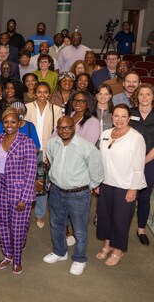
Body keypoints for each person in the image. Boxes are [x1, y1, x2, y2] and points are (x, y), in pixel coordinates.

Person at [43, 116, 104, 276]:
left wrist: (85, 189)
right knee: (56, 225)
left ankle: (80, 258)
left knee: (79, 230)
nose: (64, 130)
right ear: (57, 128)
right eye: (60, 128)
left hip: (79, 195)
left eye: (68, 127)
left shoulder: (86, 147)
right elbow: (51, 160)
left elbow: (97, 173)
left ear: (74, 127)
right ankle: (59, 252)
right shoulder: (52, 143)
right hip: (56, 192)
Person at [96, 104, 146, 266]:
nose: (119, 119)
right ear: (112, 117)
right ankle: (107, 245)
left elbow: (139, 166)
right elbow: (100, 160)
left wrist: (134, 188)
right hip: (106, 183)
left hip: (125, 185)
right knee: (105, 217)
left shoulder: (136, 138)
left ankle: (118, 250)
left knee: (121, 220)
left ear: (129, 118)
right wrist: (97, 182)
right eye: (116, 116)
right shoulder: (105, 134)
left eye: (123, 116)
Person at [0, 110, 37, 274]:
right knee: (2, 224)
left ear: (19, 123)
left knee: (17, 227)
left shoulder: (27, 142)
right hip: (1, 188)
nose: (9, 125)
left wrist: (25, 198)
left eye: (13, 122)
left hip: (19, 191)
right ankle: (7, 255)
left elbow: (31, 173)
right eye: (6, 122)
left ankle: (17, 260)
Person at [24, 82, 63, 228]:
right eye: (39, 92)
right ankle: (24, 212)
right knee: (25, 183)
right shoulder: (27, 108)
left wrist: (51, 155)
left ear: (50, 94)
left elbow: (57, 134)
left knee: (42, 184)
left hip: (46, 152)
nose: (42, 95)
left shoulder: (56, 110)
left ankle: (40, 215)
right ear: (34, 93)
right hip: (28, 150)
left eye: (45, 92)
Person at [128, 84, 154, 246]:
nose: (144, 97)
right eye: (141, 94)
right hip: (129, 161)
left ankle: (141, 229)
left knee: (144, 196)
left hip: (150, 161)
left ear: (153, 97)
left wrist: (142, 161)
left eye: (148, 94)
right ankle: (121, 227)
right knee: (128, 195)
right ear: (136, 97)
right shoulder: (130, 114)